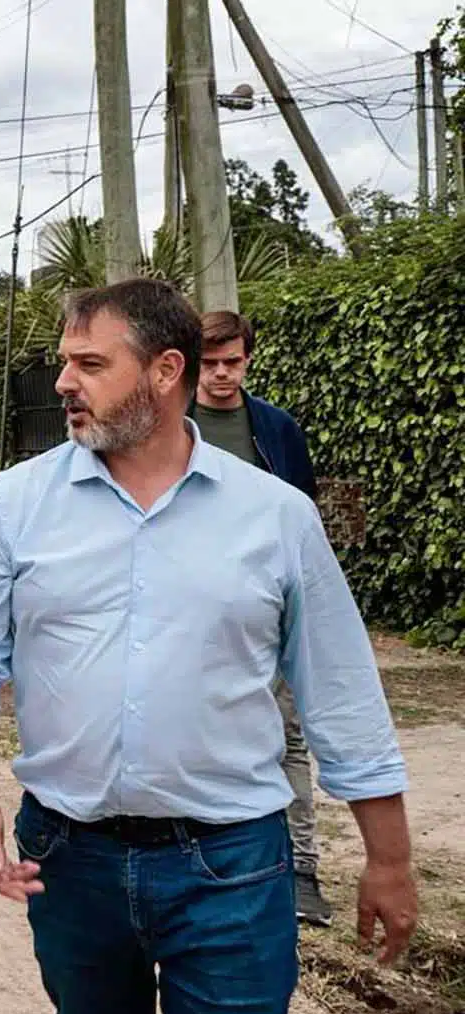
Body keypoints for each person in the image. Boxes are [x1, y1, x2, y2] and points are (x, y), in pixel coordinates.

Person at [0, 279, 418, 1014]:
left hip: (232, 863)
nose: (63, 383)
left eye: (90, 363)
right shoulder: (7, 509)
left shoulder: (275, 517)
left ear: (164, 370)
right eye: (63, 362)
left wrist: (388, 859)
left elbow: (342, 692)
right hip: (68, 857)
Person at [194, 309, 331, 926]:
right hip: (191, 612)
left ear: (248, 360)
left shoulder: (276, 430)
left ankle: (302, 871)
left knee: (289, 736)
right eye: (210, 363)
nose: (222, 374)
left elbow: (302, 524)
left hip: (268, 609)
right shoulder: (169, 425)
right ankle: (213, 859)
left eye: (233, 362)